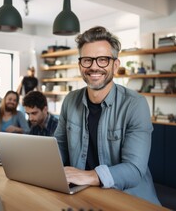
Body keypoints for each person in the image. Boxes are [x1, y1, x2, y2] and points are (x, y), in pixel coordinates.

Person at [54, 26, 160, 205]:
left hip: (130, 200)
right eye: (87, 60)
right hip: (83, 195)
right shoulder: (70, 101)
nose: (94, 67)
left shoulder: (135, 104)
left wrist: (89, 176)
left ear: (115, 65)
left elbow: (134, 169)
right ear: (80, 65)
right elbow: (59, 147)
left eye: (103, 60)